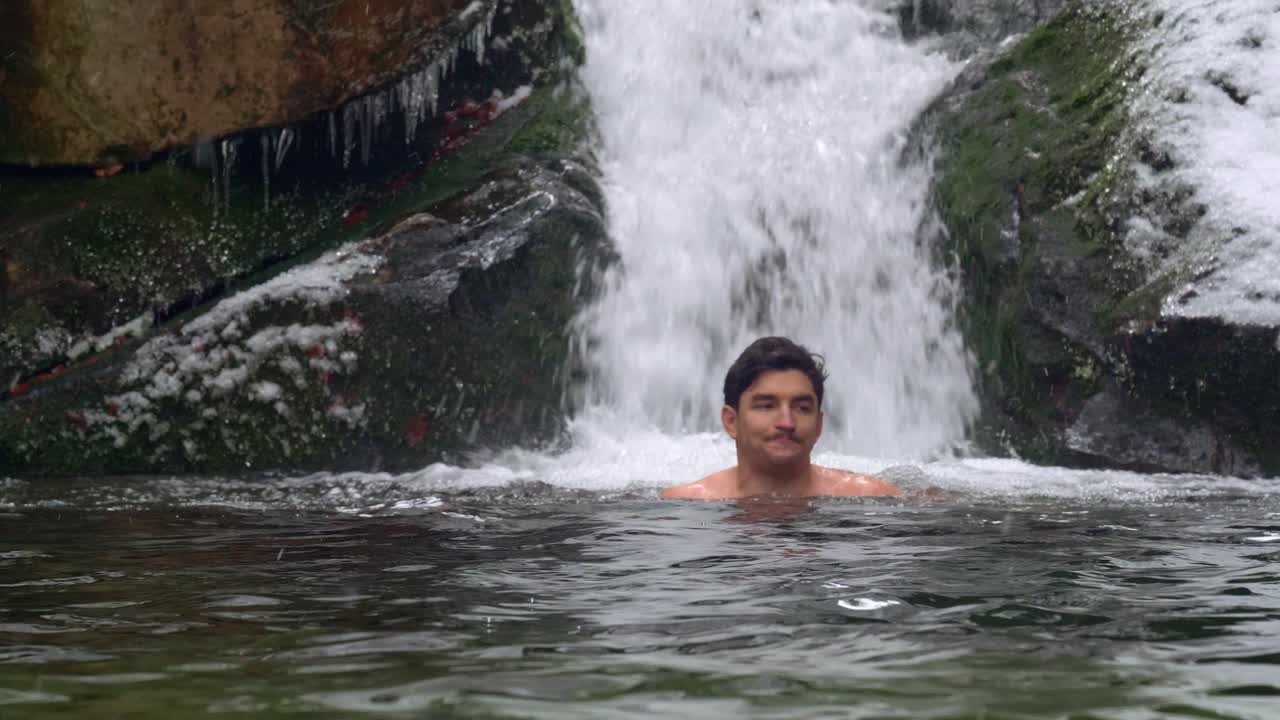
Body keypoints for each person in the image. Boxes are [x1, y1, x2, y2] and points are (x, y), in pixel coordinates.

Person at [661, 336, 900, 500]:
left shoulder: (872, 497)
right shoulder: (684, 503)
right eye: (766, 406)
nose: (787, 422)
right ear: (731, 422)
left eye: (802, 408)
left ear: (818, 425)